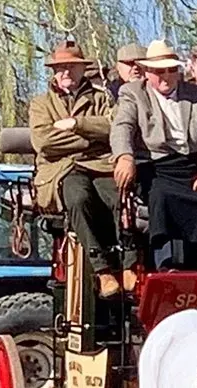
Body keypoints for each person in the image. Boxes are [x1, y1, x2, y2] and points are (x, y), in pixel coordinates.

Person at [110, 39, 197, 272]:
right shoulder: (132, 93)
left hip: (192, 165)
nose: (164, 76)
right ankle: (169, 264)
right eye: (157, 71)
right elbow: (122, 126)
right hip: (156, 165)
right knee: (162, 195)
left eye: (170, 70)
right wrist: (124, 156)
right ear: (146, 72)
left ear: (178, 71)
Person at [29, 40, 131, 298]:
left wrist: (76, 123)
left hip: (99, 166)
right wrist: (91, 137)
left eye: (71, 67)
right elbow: (44, 142)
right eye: (59, 68)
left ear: (82, 69)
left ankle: (129, 263)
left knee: (121, 196)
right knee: (78, 197)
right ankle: (103, 271)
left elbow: (114, 127)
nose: (65, 72)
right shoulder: (41, 104)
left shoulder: (102, 97)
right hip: (62, 169)